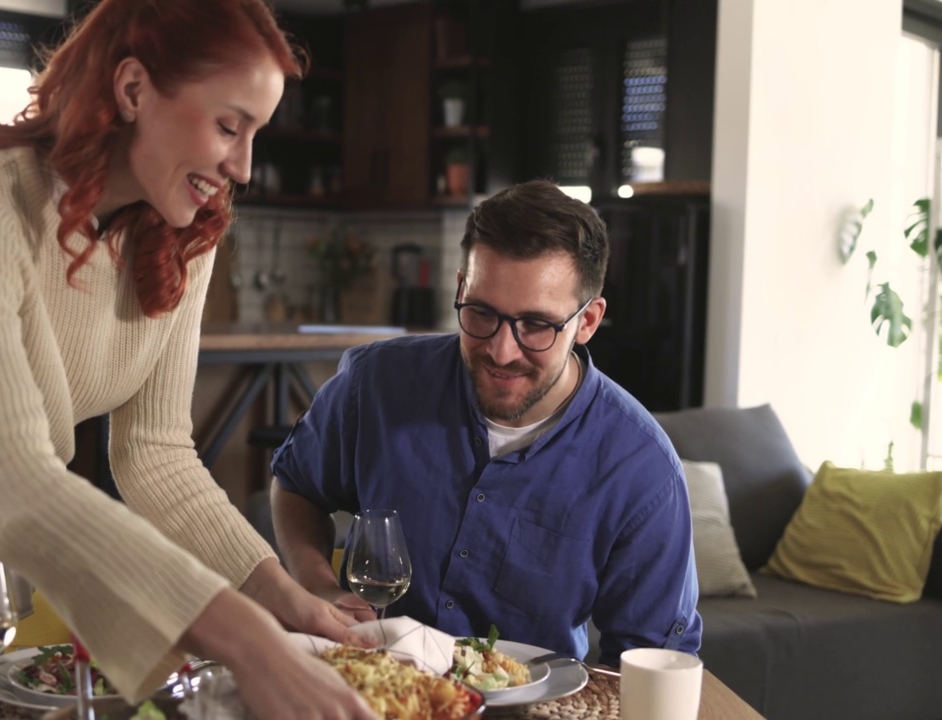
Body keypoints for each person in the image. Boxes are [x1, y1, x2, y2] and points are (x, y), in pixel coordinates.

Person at [0, 1, 377, 716]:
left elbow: (157, 455)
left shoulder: (185, 237)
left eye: (255, 133)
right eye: (229, 126)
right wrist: (247, 639)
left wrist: (287, 598)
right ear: (133, 90)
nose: (245, 166)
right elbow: (4, 477)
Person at [270, 180, 703, 667]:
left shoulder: (641, 468)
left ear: (587, 321)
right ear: (460, 288)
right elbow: (297, 486)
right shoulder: (376, 383)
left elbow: (653, 660)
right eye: (480, 313)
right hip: (371, 692)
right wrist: (318, 587)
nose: (501, 351)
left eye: (536, 325)